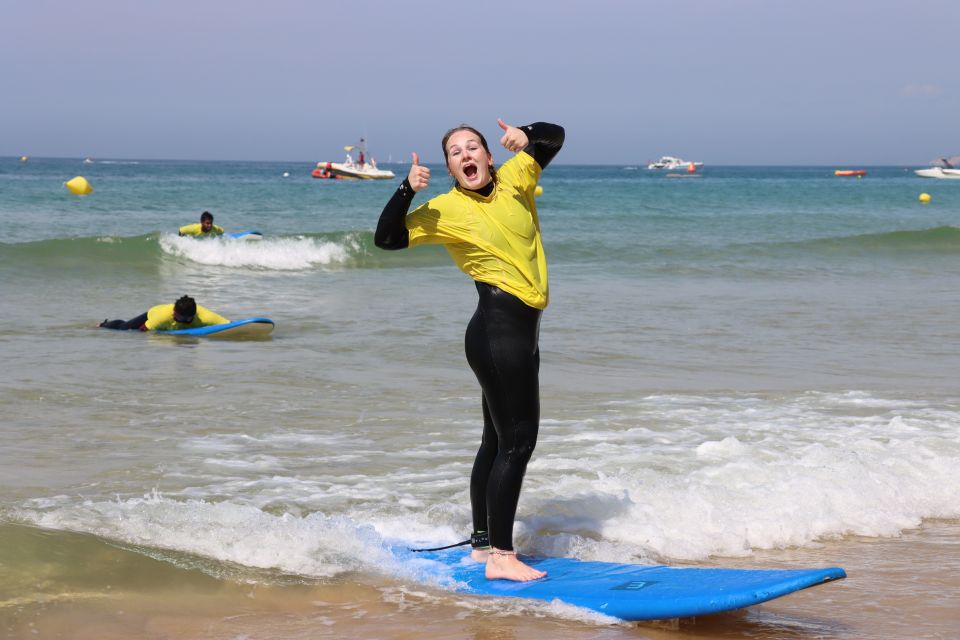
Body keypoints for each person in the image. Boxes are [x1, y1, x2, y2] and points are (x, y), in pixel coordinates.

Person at [375, 118, 564, 582]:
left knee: (497, 441)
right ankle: (502, 556)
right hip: (497, 331)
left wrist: (526, 132)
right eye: (455, 152)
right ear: (450, 169)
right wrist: (405, 189)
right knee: (518, 442)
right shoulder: (446, 209)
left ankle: (482, 544)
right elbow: (387, 238)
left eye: (473, 147)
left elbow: (554, 135)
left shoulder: (517, 177)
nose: (465, 155)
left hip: (520, 332)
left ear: (488, 156)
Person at [100, 295, 229, 331]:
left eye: (177, 315)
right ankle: (104, 324)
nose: (173, 315)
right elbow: (143, 329)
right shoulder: (163, 317)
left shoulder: (205, 316)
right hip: (152, 314)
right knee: (124, 327)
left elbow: (228, 324)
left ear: (190, 317)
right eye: (174, 312)